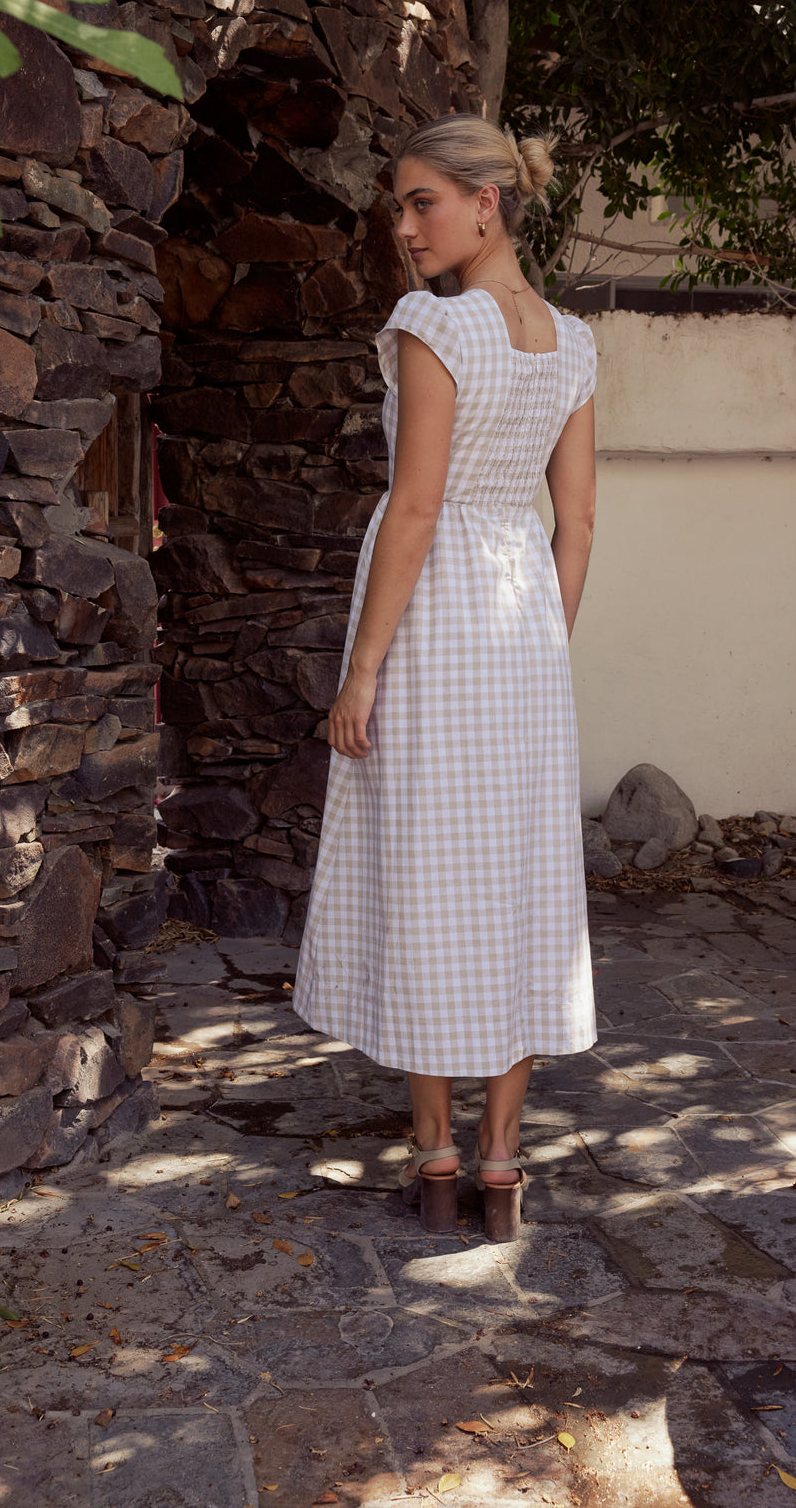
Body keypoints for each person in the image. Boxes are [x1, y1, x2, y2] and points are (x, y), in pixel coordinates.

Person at [292, 113, 598, 1243]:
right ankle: (503, 1163)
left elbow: (416, 506)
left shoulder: (434, 322)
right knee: (519, 877)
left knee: (426, 870)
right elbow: (577, 523)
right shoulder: (572, 341)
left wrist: (362, 669)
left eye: (422, 201)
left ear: (487, 200)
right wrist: (543, 649)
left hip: (431, 625)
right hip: (523, 633)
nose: (405, 226)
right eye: (398, 206)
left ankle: (436, 1156)